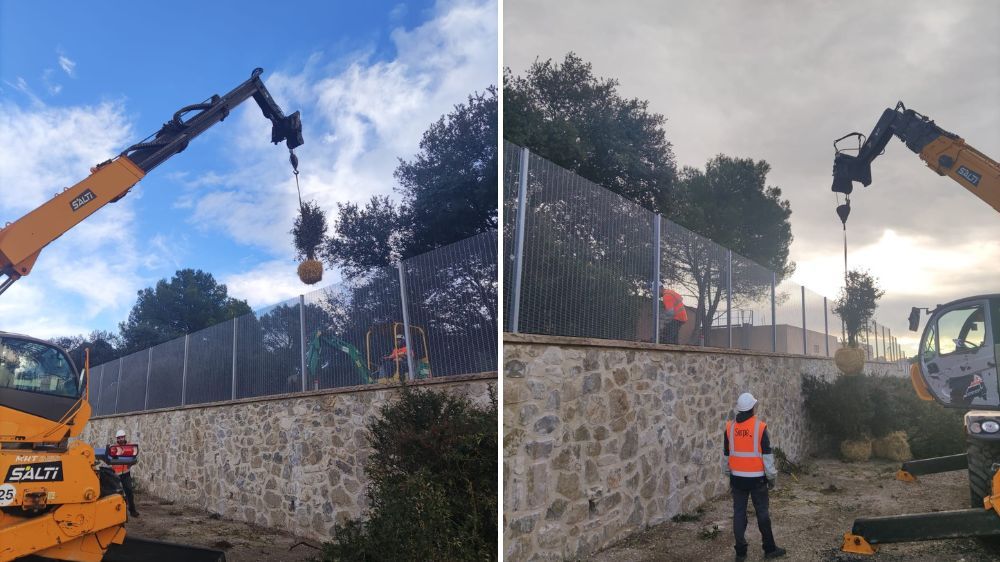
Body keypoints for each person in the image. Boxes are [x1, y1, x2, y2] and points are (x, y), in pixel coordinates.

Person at [724, 392, 785, 560]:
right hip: (757, 480)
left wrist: (729, 475)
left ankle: (741, 553)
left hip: (737, 479)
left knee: (738, 514)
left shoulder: (729, 427)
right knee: (762, 513)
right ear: (752, 408)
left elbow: (726, 456)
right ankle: (769, 548)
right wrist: (772, 478)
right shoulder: (760, 427)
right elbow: (767, 457)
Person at [111, 429, 140, 517]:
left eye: (122, 437)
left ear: (124, 437)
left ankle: (132, 511)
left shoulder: (130, 447)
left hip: (126, 474)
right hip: (116, 475)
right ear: (117, 438)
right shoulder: (114, 448)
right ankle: (117, 513)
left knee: (129, 492)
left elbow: (134, 458)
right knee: (116, 495)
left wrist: (129, 465)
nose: (120, 439)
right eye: (119, 438)